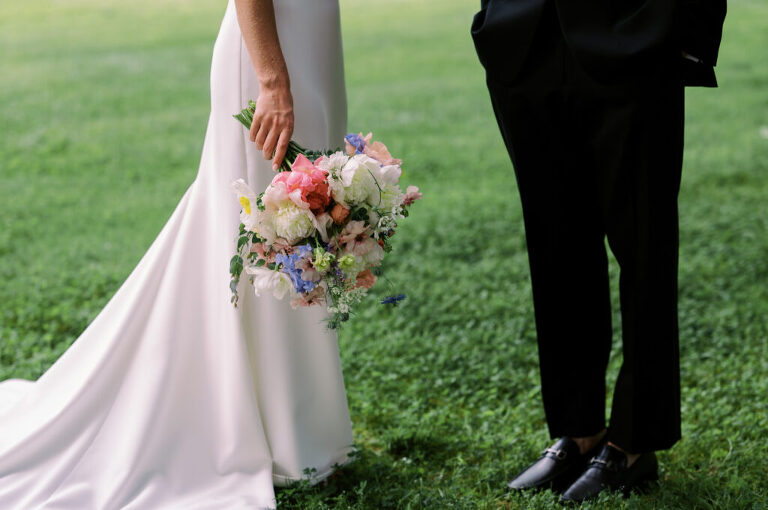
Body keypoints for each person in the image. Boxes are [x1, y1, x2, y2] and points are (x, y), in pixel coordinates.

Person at [0, 0, 353, 508]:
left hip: (314, 44)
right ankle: (269, 434)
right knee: (264, 238)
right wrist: (273, 81)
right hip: (272, 56)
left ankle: (298, 428)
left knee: (303, 232)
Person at [471, 0, 726, 502]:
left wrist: (686, 33)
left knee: (644, 249)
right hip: (522, 42)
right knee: (555, 249)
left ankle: (634, 443)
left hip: (636, 33)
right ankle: (578, 429)